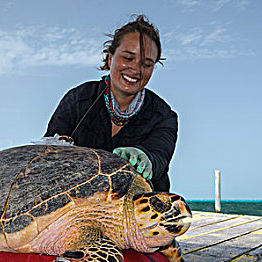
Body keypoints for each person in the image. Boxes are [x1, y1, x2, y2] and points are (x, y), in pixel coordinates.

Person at [44, 15, 178, 192]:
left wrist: (146, 158)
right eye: (128, 58)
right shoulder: (78, 99)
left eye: (146, 64)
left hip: (140, 210)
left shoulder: (164, 116)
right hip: (78, 208)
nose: (136, 69)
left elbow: (159, 155)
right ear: (109, 59)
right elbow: (46, 156)